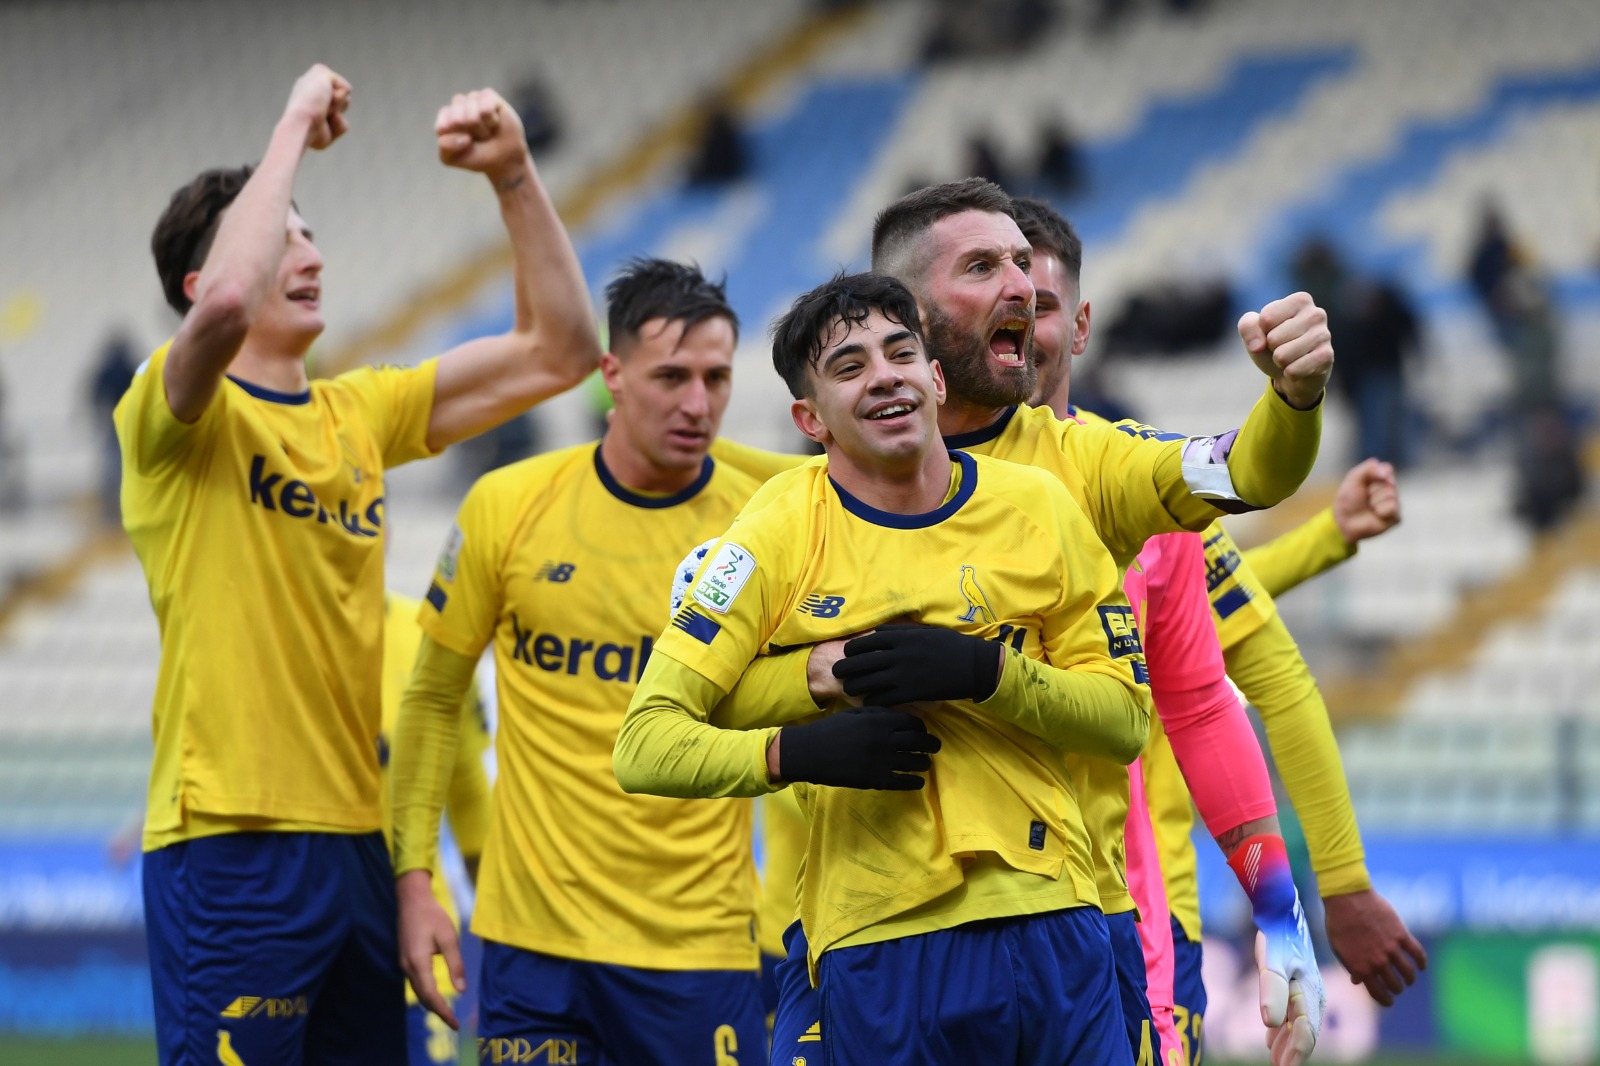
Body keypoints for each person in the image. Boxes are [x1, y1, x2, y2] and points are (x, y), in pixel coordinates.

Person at [697, 178, 1333, 1064]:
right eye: (985, 266)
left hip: (1069, 933)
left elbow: (1243, 481)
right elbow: (697, 710)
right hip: (851, 943)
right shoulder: (796, 506)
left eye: (1026, 268)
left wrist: (1293, 401)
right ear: (906, 320)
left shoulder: (1087, 464)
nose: (1025, 290)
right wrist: (824, 681)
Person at [116, 65, 600, 1065]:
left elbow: (560, 350)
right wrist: (291, 118)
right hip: (230, 840)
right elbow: (223, 313)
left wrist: (513, 175)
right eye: (280, 233)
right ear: (198, 282)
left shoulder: (360, 415)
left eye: (311, 232)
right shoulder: (168, 418)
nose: (308, 250)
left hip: (358, 846)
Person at [617, 271, 1152, 1064]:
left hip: (1054, 918)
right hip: (876, 936)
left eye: (901, 353)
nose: (885, 375)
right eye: (849, 366)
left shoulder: (1039, 506)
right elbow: (645, 743)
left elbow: (1126, 723)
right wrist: (796, 743)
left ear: (936, 379)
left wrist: (987, 675)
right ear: (811, 418)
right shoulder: (772, 532)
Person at [390, 259, 768, 1065]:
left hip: (698, 950)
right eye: (670, 376)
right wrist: (414, 880)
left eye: (716, 378)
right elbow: (430, 701)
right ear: (612, 375)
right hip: (533, 949)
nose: (697, 403)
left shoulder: (769, 518)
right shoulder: (507, 504)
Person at [379, 590, 492, 1066]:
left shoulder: (429, 632)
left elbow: (467, 791)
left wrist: (508, 941)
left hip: (421, 942)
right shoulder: (281, 634)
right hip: (312, 940)